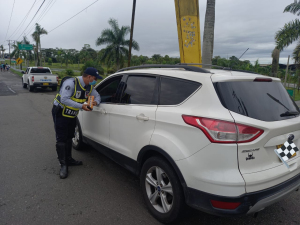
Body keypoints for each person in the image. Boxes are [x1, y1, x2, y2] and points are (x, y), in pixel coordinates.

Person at [52, 67, 102, 179]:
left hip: (72, 114)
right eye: (94, 78)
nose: (95, 81)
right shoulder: (71, 83)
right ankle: (63, 165)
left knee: (70, 136)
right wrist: (81, 106)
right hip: (60, 112)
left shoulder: (89, 86)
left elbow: (97, 96)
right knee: (61, 138)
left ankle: (69, 159)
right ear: (89, 77)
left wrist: (96, 101)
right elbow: (64, 99)